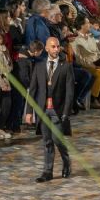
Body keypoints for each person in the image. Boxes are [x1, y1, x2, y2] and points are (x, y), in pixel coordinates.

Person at [25, 37, 73, 182]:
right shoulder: (39, 66)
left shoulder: (66, 66)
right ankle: (47, 171)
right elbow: (32, 90)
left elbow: (70, 93)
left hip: (58, 111)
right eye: (53, 47)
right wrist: (28, 111)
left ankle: (66, 162)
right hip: (43, 110)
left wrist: (66, 113)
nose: (56, 49)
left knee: (58, 140)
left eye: (58, 47)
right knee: (47, 141)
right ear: (46, 48)